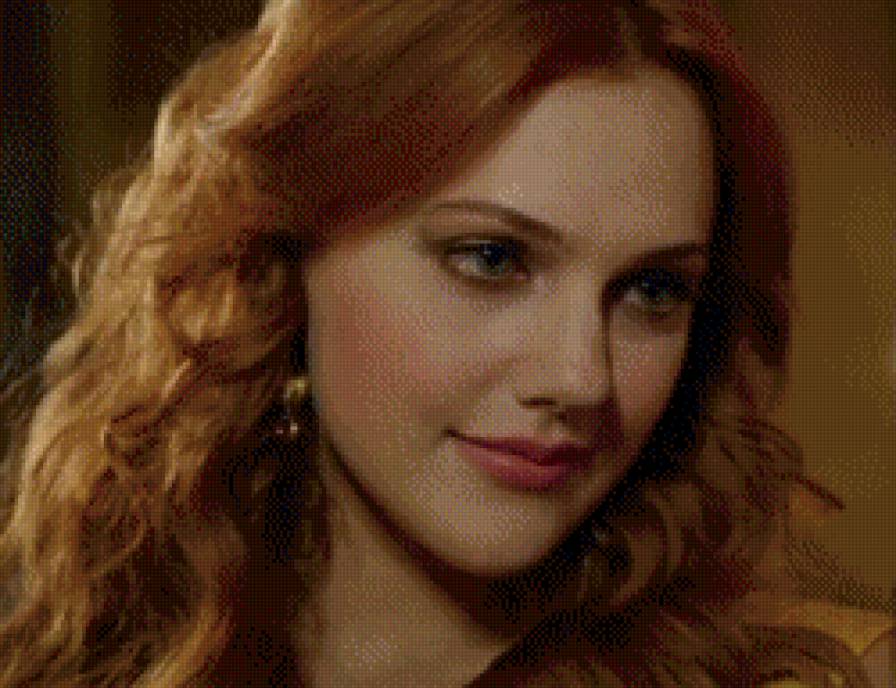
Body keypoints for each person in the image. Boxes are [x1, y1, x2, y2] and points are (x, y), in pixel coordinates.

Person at [0, 1, 890, 686]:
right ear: (280, 254)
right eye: (492, 259)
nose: (582, 376)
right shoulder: (78, 659)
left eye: (652, 291)